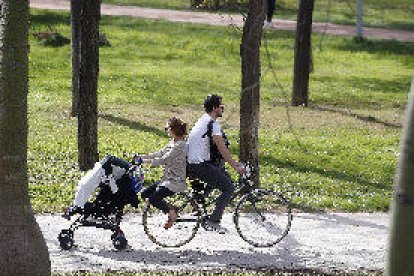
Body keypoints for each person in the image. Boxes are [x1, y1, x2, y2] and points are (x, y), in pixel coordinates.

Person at [187, 94, 246, 234]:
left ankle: (198, 200)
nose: (222, 109)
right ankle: (213, 220)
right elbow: (222, 148)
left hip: (194, 163)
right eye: (221, 106)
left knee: (224, 176)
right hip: (199, 165)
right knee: (229, 188)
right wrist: (236, 166)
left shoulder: (203, 120)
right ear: (214, 108)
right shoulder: (213, 124)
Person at [140, 117, 188, 229]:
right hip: (166, 179)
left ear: (173, 129)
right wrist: (141, 156)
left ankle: (171, 213)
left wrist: (144, 162)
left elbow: (164, 159)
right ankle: (173, 209)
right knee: (145, 194)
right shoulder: (173, 142)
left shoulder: (180, 145)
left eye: (167, 128)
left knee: (153, 199)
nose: (166, 130)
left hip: (175, 181)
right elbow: (159, 153)